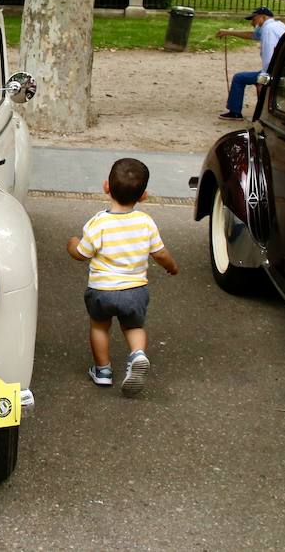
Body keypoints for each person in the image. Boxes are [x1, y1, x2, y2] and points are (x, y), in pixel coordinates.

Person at [66, 158, 180, 397]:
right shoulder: (145, 222)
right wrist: (172, 266)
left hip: (102, 291)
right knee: (133, 327)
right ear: (144, 196)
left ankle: (103, 371)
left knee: (100, 326)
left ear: (106, 187)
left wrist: (72, 244)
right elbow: (159, 253)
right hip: (135, 291)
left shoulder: (98, 223)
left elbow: (81, 254)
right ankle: (137, 354)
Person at [215, 6, 285, 120]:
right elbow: (252, 35)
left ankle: (236, 112)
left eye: (254, 20)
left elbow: (269, 56)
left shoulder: (268, 30)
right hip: (283, 68)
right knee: (243, 77)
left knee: (239, 78)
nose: (252, 24)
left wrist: (264, 78)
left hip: (274, 71)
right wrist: (228, 32)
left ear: (262, 18)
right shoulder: (277, 25)